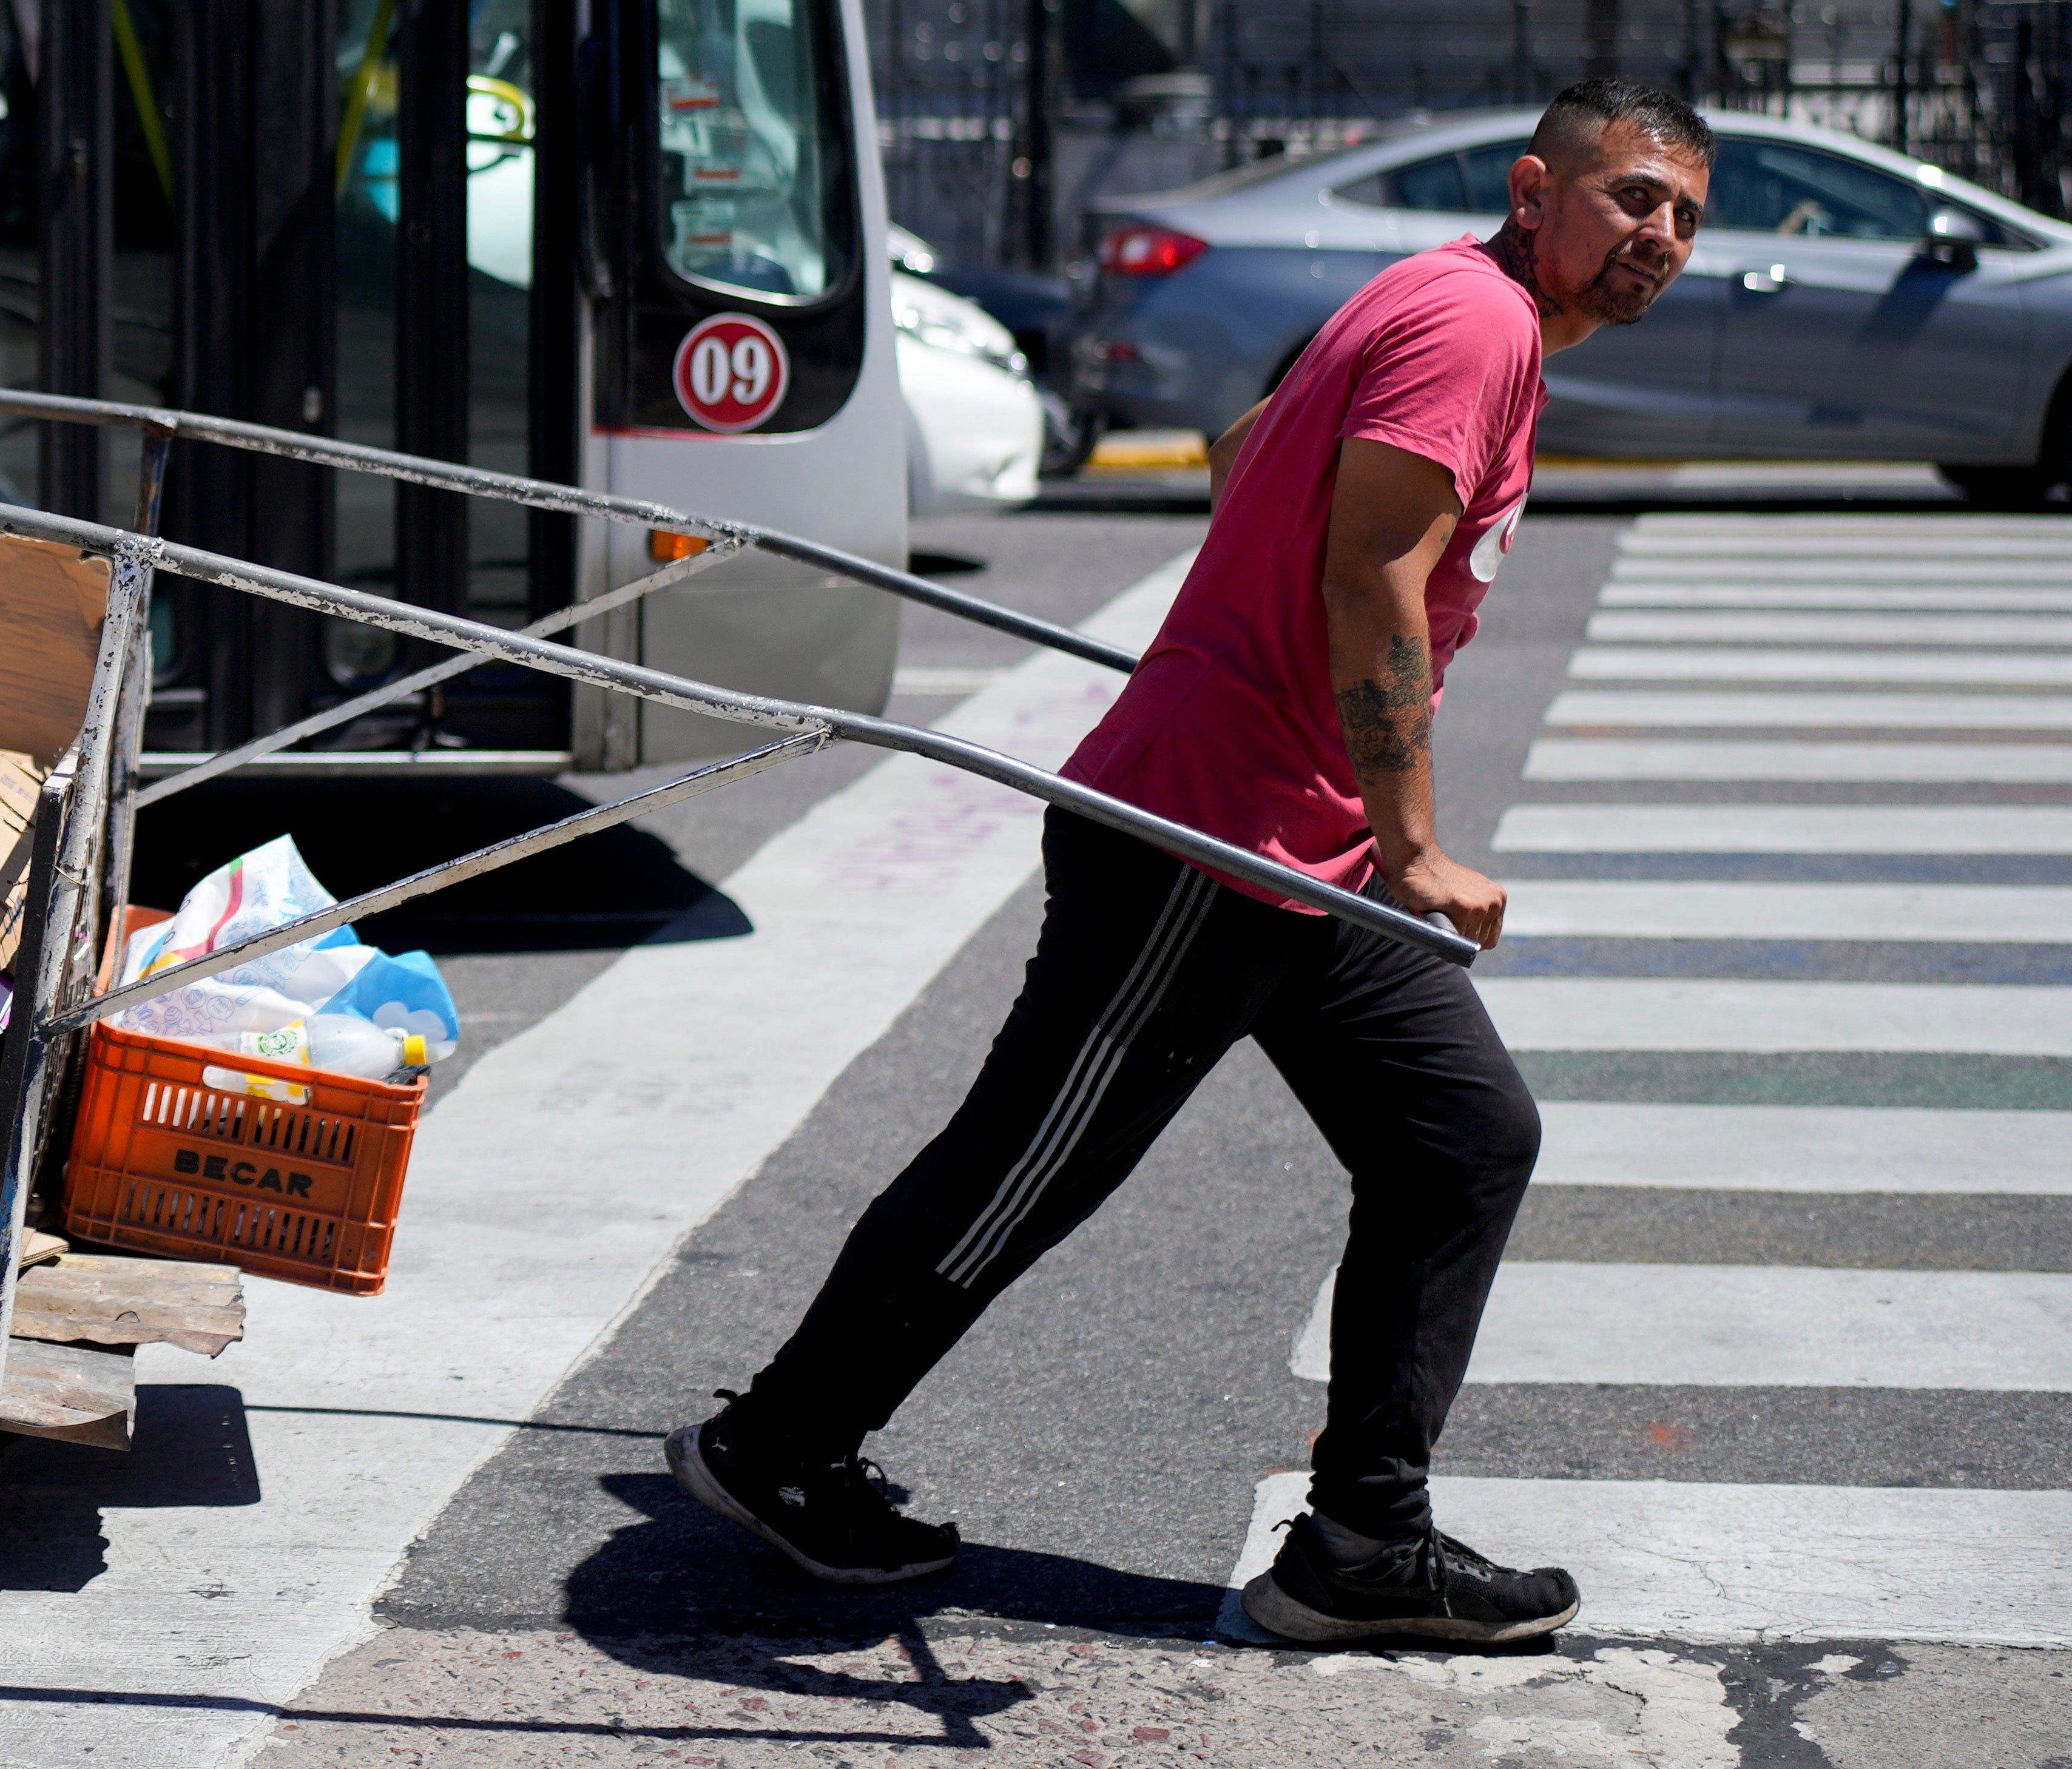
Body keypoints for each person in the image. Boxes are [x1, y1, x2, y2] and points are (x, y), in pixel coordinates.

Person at [667, 79, 1714, 1649]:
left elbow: (1246, 453)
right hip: (1208, 836)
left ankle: (1364, 1540)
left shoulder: (1441, 302)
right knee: (1030, 1164)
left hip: (1302, 845)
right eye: (1634, 197)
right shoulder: (1478, 325)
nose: (1662, 237)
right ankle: (780, 1446)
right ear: (1535, 187)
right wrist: (1417, 839)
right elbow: (1374, 570)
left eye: (1686, 215)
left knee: (1459, 1143)